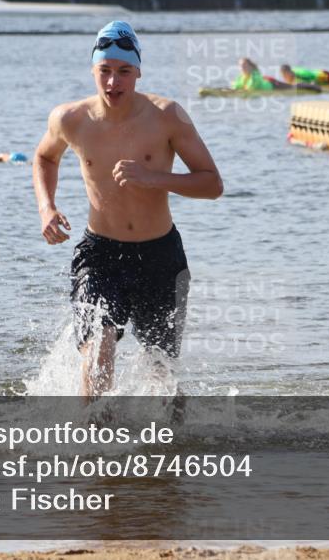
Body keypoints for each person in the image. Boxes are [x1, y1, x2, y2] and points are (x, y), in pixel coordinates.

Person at [33, 21, 223, 401]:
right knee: (99, 348)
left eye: (123, 71)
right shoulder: (70, 119)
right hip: (99, 254)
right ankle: (94, 443)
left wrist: (155, 178)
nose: (112, 82)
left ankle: (169, 449)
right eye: (104, 71)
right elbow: (44, 157)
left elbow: (212, 184)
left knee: (161, 374)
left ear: (138, 72)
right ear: (93, 71)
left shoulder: (168, 116)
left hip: (160, 255)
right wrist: (47, 208)